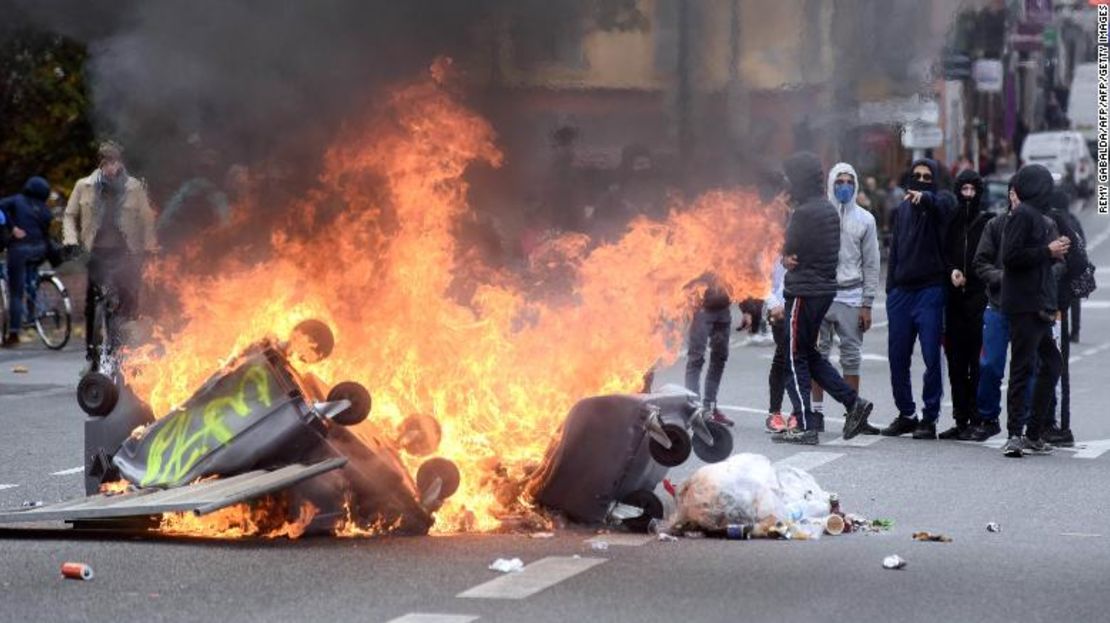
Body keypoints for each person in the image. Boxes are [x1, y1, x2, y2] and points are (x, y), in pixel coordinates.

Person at [773, 152, 874, 445]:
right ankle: (853, 403)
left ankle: (805, 425)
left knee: (794, 357)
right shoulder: (828, 210)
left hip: (804, 291)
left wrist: (786, 255)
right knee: (811, 354)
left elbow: (790, 247)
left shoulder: (804, 212)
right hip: (824, 290)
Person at [63, 141, 158, 367]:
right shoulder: (83, 186)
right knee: (92, 300)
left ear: (120, 162)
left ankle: (126, 350)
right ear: (100, 163)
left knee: (128, 300)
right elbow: (69, 215)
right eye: (106, 162)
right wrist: (70, 240)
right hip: (95, 251)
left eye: (114, 162)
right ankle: (91, 352)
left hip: (126, 252)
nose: (110, 167)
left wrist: (150, 247)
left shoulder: (134, 188)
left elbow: (147, 219)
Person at [881, 159, 957, 439]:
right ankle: (906, 414)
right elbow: (896, 250)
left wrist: (926, 197)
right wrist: (891, 290)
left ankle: (930, 416)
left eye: (927, 177)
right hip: (901, 293)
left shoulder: (940, 203)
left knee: (930, 357)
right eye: (917, 176)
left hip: (930, 291)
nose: (921, 180)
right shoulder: (901, 211)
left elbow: (946, 206)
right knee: (897, 357)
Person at [999, 164, 1069, 458]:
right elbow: (1011, 257)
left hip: (1038, 303)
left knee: (1052, 364)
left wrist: (1055, 252)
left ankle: (1034, 431)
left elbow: (1036, 259)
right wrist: (1047, 252)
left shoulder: (1037, 216)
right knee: (1022, 368)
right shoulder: (1022, 215)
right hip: (1024, 305)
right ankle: (1015, 434)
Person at [811, 163, 881, 435]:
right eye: (839, 181)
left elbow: (872, 264)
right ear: (830, 183)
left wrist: (867, 303)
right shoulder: (820, 216)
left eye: (849, 181)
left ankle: (855, 414)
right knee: (817, 355)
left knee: (851, 358)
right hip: (821, 294)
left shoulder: (865, 220)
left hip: (851, 296)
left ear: (856, 184)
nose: (844, 186)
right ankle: (815, 414)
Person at [939, 169, 992, 439]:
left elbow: (992, 259)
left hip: (979, 299)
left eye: (972, 190)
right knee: (956, 363)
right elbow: (944, 254)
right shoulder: (952, 221)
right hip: (954, 301)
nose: (968, 195)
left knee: (976, 362)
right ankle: (960, 419)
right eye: (964, 190)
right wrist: (952, 272)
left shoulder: (987, 223)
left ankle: (978, 417)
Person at [1043, 189, 1092, 447]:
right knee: (1048, 366)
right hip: (1047, 304)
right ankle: (1047, 421)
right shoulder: (1062, 219)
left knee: (1057, 368)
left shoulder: (1059, 221)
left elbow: (1076, 261)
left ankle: (1061, 426)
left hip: (1057, 302)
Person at [969, 181, 1016, 442]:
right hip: (997, 304)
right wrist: (1002, 278)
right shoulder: (996, 225)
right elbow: (981, 262)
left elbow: (1057, 264)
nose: (1015, 198)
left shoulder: (1042, 224)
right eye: (1012, 193)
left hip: (1027, 309)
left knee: (1027, 368)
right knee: (989, 365)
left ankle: (1026, 423)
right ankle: (988, 417)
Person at [684, 273, 745, 427]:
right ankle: (693, 408)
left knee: (720, 358)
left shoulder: (729, 249)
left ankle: (709, 406)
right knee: (696, 358)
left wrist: (748, 309)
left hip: (723, 309)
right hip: (701, 308)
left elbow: (741, 270)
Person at [0, 177, 53, 346]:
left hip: (20, 250)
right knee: (31, 278)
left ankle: (14, 334)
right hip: (40, 250)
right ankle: (31, 316)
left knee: (16, 292)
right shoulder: (45, 210)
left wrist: (12, 227)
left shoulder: (16, 200)